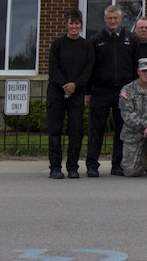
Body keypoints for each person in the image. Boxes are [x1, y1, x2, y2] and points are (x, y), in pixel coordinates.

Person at [86, 5, 139, 177]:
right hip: (100, 91)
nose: (113, 21)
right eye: (110, 18)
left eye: (116, 18)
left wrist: (133, 91)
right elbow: (89, 68)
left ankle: (118, 164)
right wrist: (88, 92)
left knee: (121, 129)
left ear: (121, 19)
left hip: (123, 91)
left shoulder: (131, 39)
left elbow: (134, 67)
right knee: (96, 129)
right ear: (105, 19)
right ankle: (92, 165)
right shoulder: (95, 40)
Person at [46, 9, 94, 179]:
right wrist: (65, 85)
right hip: (57, 92)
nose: (74, 26)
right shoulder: (57, 44)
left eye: (77, 23)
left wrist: (75, 84)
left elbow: (88, 69)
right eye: (71, 23)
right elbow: (53, 69)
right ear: (66, 25)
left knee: (76, 130)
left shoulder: (87, 45)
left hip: (77, 92)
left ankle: (73, 166)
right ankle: (55, 167)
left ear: (81, 25)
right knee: (55, 130)